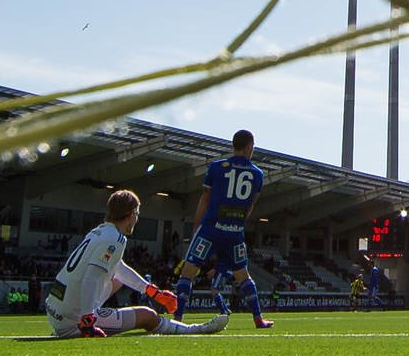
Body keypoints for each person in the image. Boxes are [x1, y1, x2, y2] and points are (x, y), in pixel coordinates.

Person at [43, 189, 228, 338]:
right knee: (148, 316)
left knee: (117, 280)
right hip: (72, 320)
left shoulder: (99, 231)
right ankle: (193, 330)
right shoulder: (115, 238)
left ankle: (87, 315)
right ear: (132, 214)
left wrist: (152, 291)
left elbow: (118, 269)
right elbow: (91, 278)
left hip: (55, 310)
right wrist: (87, 319)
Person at [173, 129, 272, 328]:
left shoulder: (217, 167)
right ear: (250, 147)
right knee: (243, 275)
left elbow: (205, 199)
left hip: (210, 228)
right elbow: (250, 206)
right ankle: (258, 318)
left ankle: (178, 319)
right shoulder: (257, 174)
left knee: (188, 272)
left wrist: (196, 225)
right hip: (234, 231)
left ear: (233, 145)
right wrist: (236, 224)